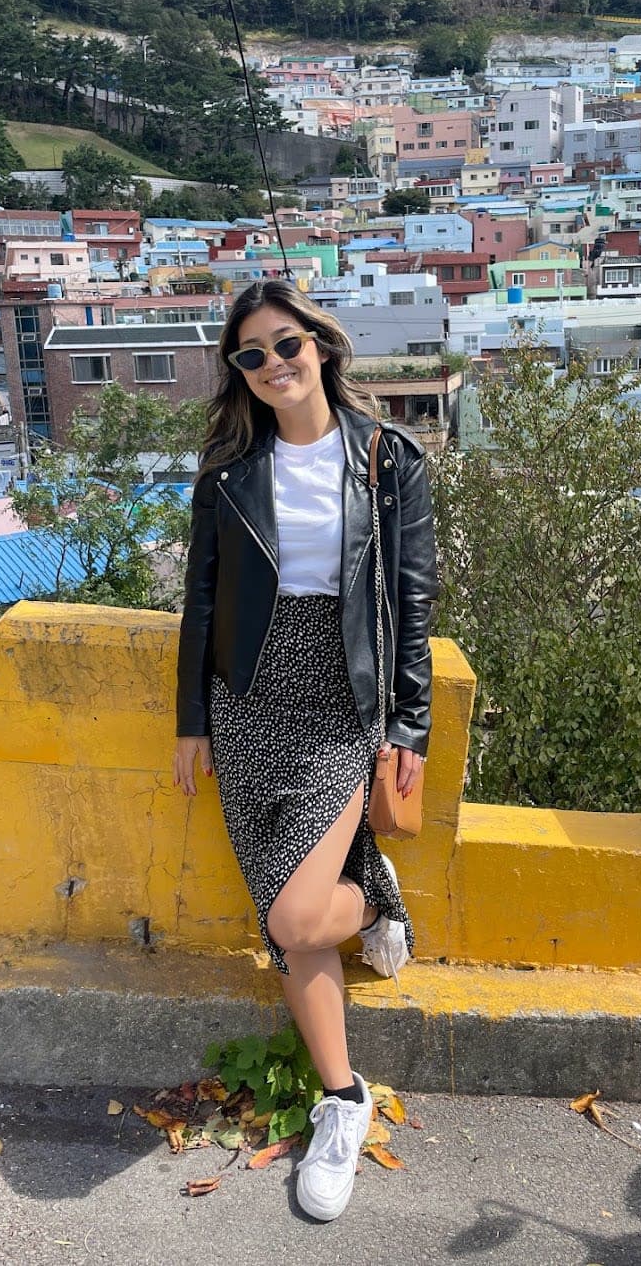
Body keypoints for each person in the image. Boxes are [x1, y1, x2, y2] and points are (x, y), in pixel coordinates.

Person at [173, 278, 437, 1222]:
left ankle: (373, 897)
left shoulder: (387, 459)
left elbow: (412, 599)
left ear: (320, 345)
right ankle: (342, 1099)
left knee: (290, 918)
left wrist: (408, 725)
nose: (274, 364)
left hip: (342, 698)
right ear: (239, 372)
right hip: (247, 701)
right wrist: (191, 721)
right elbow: (202, 598)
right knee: (289, 925)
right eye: (252, 354)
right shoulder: (227, 471)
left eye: (287, 344)